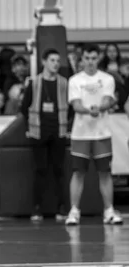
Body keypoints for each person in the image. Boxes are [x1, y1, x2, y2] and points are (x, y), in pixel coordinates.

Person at [66, 44, 123, 226]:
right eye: (87, 58)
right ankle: (74, 211)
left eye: (93, 58)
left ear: (98, 58)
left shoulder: (107, 79)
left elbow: (108, 100)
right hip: (80, 134)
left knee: (104, 172)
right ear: (81, 59)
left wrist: (100, 108)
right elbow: (75, 105)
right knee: (78, 172)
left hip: (102, 133)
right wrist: (88, 110)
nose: (90, 62)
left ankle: (109, 211)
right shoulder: (75, 81)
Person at [21, 48, 71, 222]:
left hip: (59, 131)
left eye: (58, 61)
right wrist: (30, 125)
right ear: (44, 62)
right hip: (38, 132)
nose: (55, 64)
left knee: (59, 170)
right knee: (40, 170)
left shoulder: (64, 83)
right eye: (52, 60)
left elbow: (69, 107)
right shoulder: (34, 83)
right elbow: (24, 107)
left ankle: (62, 208)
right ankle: (36, 208)